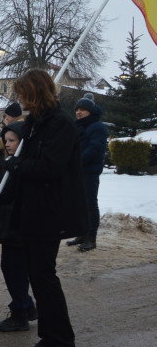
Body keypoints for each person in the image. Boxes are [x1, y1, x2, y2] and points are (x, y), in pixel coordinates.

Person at [4, 69, 85, 347]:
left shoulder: (60, 124)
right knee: (38, 277)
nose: (19, 98)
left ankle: (66, 345)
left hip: (50, 212)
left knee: (45, 278)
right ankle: (49, 340)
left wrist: (17, 166)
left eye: (23, 92)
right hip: (33, 211)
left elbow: (50, 168)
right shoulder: (37, 123)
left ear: (34, 93)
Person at [0, 121, 39, 332]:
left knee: (15, 269)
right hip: (9, 224)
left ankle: (20, 311)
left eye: (12, 140)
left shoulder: (25, 166)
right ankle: (25, 305)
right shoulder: (10, 162)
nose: (8, 144)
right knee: (9, 267)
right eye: (6, 140)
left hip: (19, 226)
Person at [72, 94, 108, 252]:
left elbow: (95, 150)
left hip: (89, 172)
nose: (79, 112)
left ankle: (91, 237)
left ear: (90, 111)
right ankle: (81, 233)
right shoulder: (78, 126)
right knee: (78, 204)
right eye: (77, 109)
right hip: (76, 171)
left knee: (89, 204)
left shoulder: (98, 127)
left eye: (83, 109)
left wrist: (77, 162)